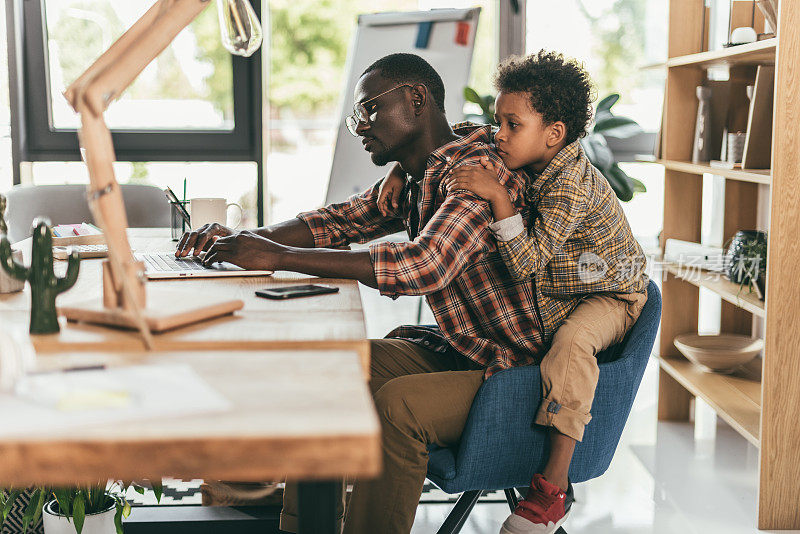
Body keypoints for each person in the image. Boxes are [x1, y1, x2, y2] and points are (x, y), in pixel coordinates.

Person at [176, 53, 547, 534]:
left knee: (398, 408)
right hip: (464, 351)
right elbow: (339, 221)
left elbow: (422, 266)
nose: (359, 126)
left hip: (514, 374)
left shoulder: (475, 176)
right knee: (326, 371)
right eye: (357, 115)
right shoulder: (423, 172)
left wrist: (277, 258)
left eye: (369, 109)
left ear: (417, 100)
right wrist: (242, 243)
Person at [377, 50, 649, 534]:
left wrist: (499, 198)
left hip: (612, 293)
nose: (497, 134)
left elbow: (526, 263)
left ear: (554, 134)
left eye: (511, 124)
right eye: (497, 120)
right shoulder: (528, 153)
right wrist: (404, 168)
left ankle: (551, 490)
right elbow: (459, 134)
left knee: (571, 346)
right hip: (570, 284)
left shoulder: (570, 185)